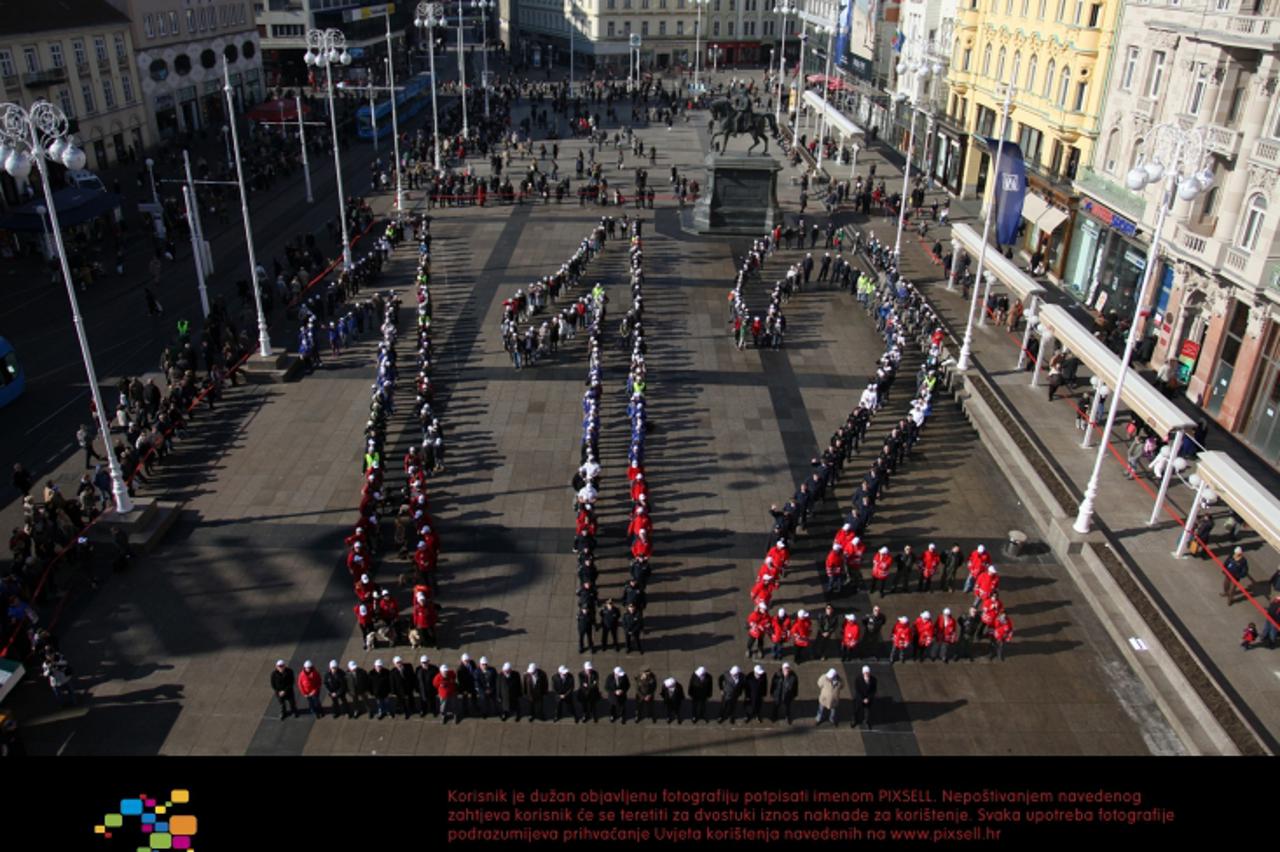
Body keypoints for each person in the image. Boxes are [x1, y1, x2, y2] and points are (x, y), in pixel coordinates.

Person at [851, 665, 877, 730]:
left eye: (868, 672)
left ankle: (867, 722)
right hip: (859, 698)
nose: (867, 674)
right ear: (863, 673)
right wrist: (862, 699)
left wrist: (868, 698)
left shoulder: (873, 680)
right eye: (865, 672)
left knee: (867, 712)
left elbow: (873, 691)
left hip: (868, 699)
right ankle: (855, 721)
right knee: (856, 710)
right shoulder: (858, 679)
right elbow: (857, 690)